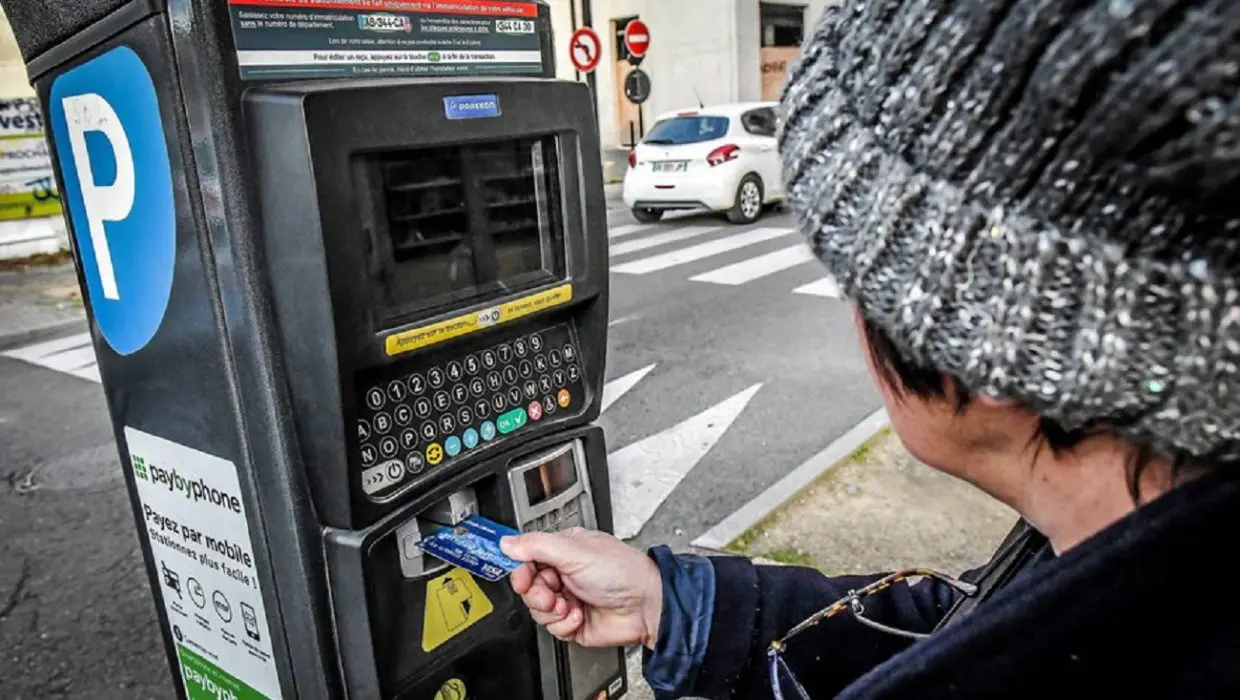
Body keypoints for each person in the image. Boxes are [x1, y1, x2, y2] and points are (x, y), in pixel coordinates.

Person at [501, 1, 1240, 697]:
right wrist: (674, 607)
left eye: (861, 274)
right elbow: (959, 620)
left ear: (985, 338)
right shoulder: (1120, 576)